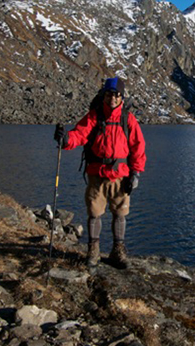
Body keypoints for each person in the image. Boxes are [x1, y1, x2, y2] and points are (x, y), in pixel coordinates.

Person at [54, 77, 146, 269]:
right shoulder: (94, 116)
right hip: (97, 174)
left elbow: (138, 147)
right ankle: (93, 251)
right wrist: (66, 139)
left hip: (120, 175)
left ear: (121, 97)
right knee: (95, 213)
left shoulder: (127, 119)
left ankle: (117, 251)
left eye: (116, 95)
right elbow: (80, 134)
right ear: (104, 95)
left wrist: (135, 173)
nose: (112, 98)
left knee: (120, 213)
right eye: (109, 94)